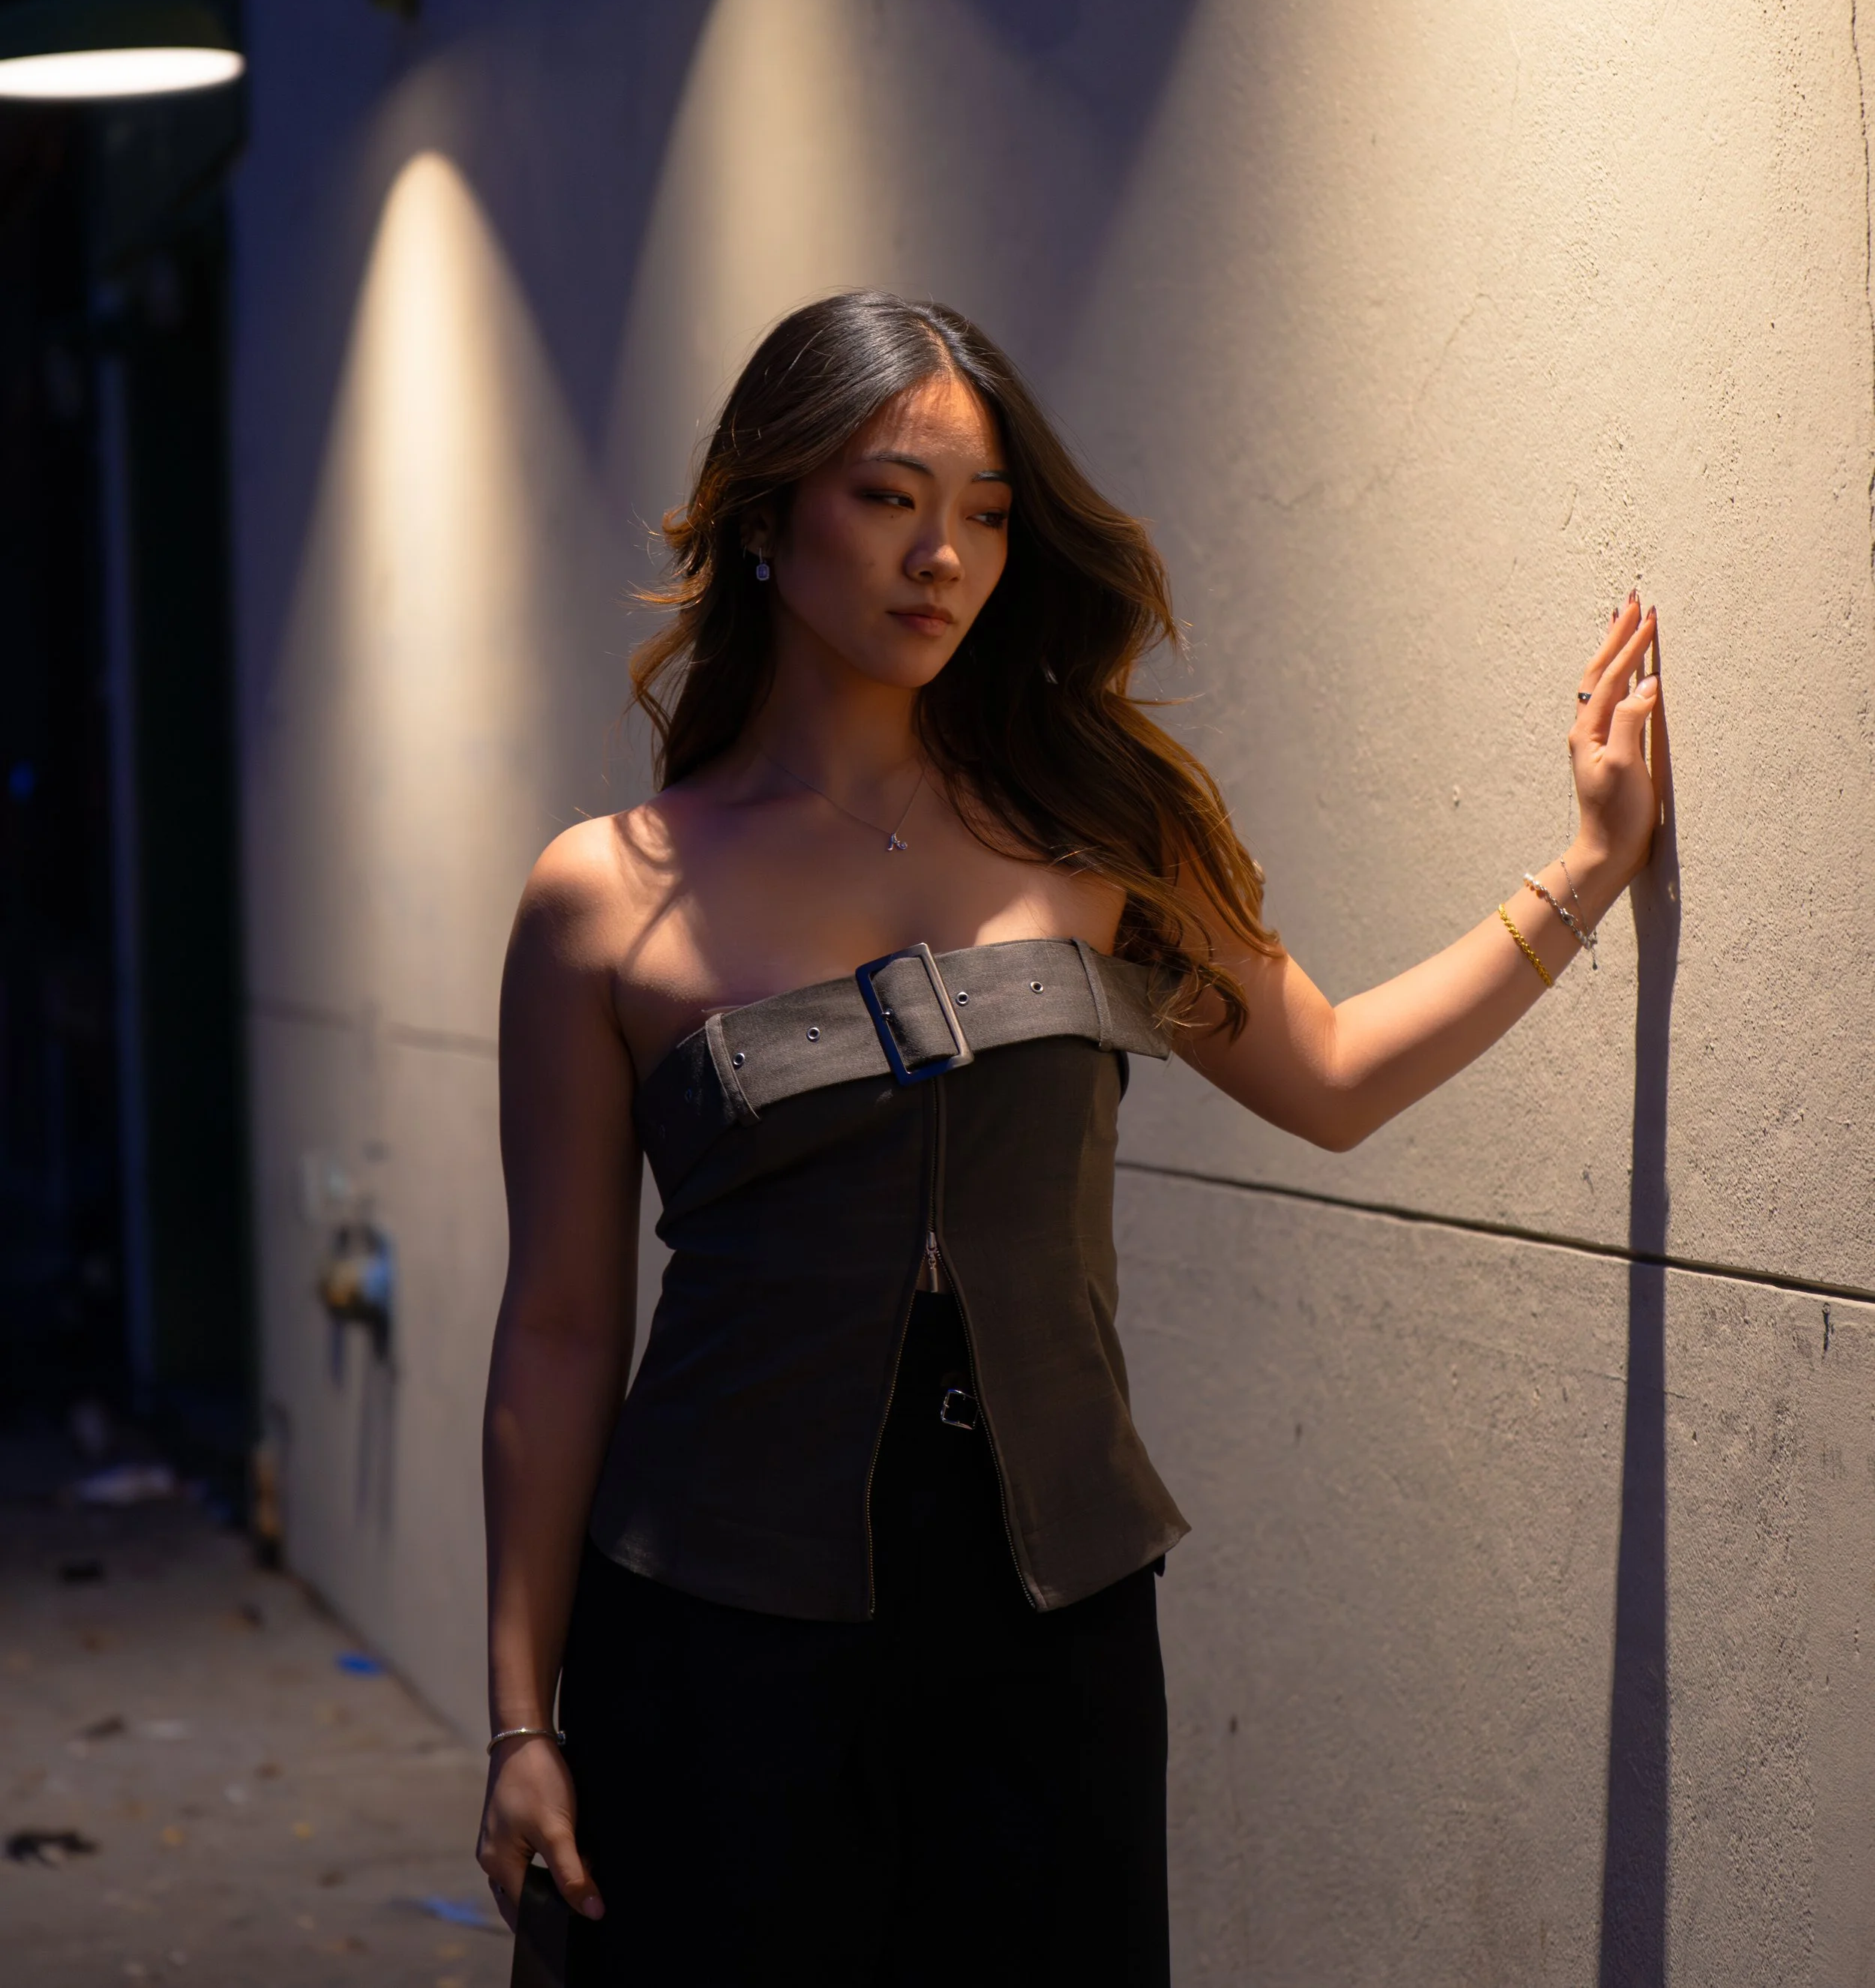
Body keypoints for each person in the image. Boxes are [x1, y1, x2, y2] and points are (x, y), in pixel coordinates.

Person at [476, 289, 1661, 1986]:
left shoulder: (1089, 825)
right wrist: (521, 1715)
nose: (938, 558)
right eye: (887, 498)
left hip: (1052, 1617)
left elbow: (1327, 1075)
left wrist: (1583, 871)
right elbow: (561, 1327)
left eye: (982, 515)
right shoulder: (604, 891)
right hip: (709, 1624)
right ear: (762, 513)